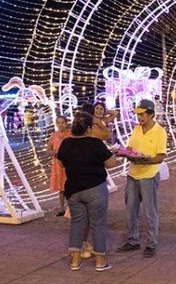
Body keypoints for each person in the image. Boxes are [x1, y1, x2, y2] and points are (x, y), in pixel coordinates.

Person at [57, 112, 118, 272]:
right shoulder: (95, 144)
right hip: (95, 188)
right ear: (89, 128)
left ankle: (75, 261)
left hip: (73, 190)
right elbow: (111, 163)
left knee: (77, 223)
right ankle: (100, 262)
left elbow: (62, 164)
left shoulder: (66, 143)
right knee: (98, 224)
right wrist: (115, 155)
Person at [117, 100, 168, 258]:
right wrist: (123, 152)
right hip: (133, 174)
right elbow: (131, 148)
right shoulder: (137, 129)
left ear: (151, 114)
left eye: (142, 114)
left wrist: (146, 160)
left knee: (150, 211)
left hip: (149, 175)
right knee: (131, 210)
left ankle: (152, 243)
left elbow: (160, 156)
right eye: (138, 114)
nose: (139, 117)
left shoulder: (160, 131)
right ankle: (133, 240)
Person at [47, 115, 71, 216]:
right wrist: (55, 153)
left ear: (66, 124)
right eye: (59, 123)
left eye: (63, 122)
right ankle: (61, 208)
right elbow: (48, 150)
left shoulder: (70, 134)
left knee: (70, 185)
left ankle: (71, 208)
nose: (61, 125)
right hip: (57, 164)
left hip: (69, 163)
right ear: (56, 124)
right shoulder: (53, 135)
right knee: (61, 187)